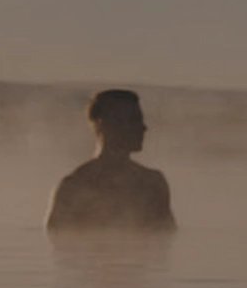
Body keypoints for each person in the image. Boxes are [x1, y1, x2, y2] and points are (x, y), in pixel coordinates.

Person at [46, 89, 176, 234]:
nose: (143, 127)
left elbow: (167, 241)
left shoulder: (153, 184)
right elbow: (59, 243)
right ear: (106, 125)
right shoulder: (75, 187)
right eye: (134, 120)